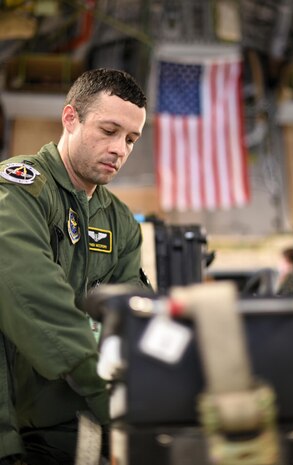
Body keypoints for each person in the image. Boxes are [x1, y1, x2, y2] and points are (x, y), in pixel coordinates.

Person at [0, 68, 151, 465]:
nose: (120, 149)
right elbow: (31, 294)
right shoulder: (20, 189)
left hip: (82, 430)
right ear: (71, 118)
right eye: (109, 130)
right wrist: (109, 397)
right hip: (16, 427)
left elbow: (133, 317)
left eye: (131, 139)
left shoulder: (118, 220)